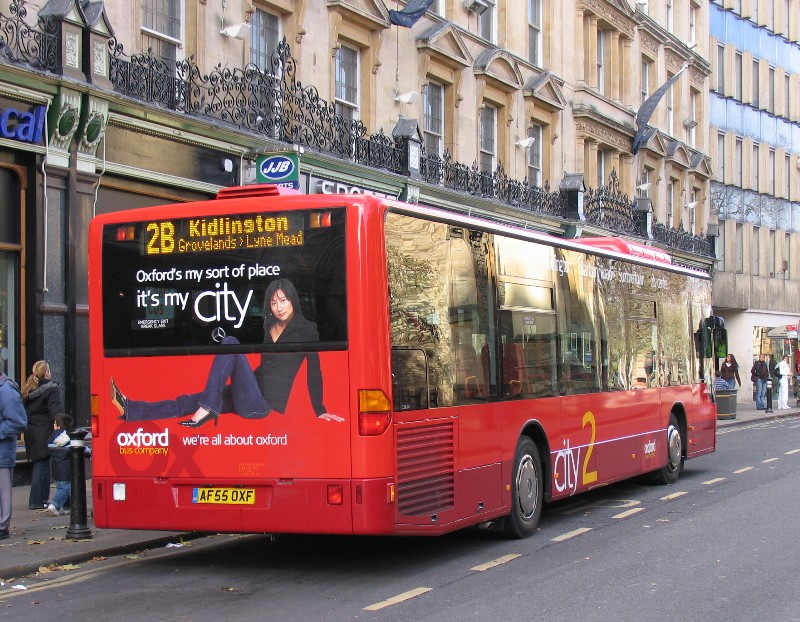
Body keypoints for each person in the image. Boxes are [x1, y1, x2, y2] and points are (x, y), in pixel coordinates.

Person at [111, 279, 344, 427]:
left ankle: (207, 408)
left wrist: (320, 410)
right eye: (274, 303)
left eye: (283, 301)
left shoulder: (307, 329)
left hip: (261, 404)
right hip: (249, 387)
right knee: (189, 401)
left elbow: (314, 371)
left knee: (230, 343)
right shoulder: (268, 325)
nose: (279, 307)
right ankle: (132, 409)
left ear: (293, 301)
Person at [21, 361, 65, 510]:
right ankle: (37, 500)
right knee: (42, 466)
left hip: (30, 432)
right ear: (46, 373)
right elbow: (56, 411)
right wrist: (61, 426)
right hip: (44, 431)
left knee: (40, 464)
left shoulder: (28, 390)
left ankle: (41, 499)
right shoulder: (51, 389)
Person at [0, 370, 27, 540]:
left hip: (2, 453)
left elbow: (19, 422)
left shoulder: (6, 391)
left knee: (2, 492)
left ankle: (2, 527)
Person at [46, 414, 73, 517]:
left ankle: (67, 507)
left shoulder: (52, 437)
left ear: (57, 425)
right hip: (66, 468)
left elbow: (48, 446)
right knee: (65, 488)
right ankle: (54, 505)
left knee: (61, 487)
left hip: (55, 467)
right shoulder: (70, 436)